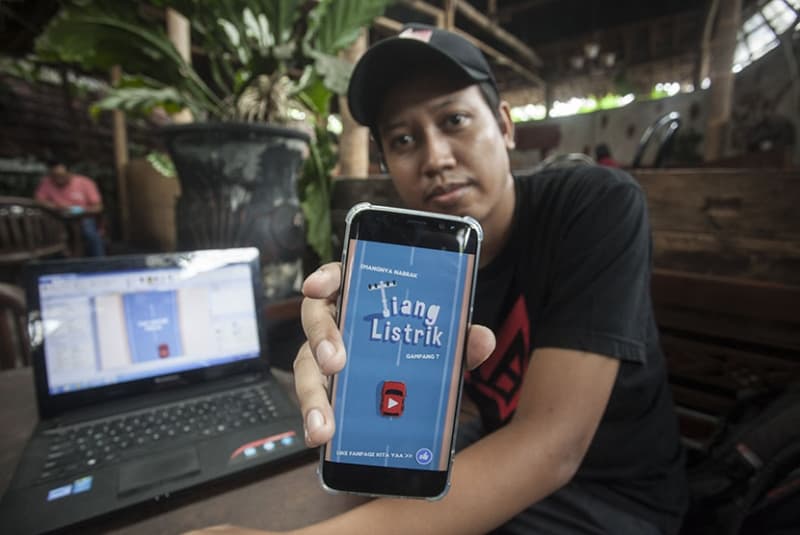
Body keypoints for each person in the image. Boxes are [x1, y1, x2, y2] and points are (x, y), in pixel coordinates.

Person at [190, 23, 687, 535]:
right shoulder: (413, 262)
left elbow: (552, 448)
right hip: (497, 449)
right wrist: (351, 365)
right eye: (404, 139)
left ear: (505, 126)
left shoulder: (593, 205)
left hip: (617, 499)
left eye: (455, 120)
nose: (436, 158)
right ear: (388, 163)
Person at [35, 158, 105, 256]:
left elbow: (98, 207)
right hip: (57, 218)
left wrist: (77, 210)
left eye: (61, 176)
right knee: (47, 235)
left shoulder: (85, 182)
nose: (58, 179)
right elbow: (39, 201)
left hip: (83, 217)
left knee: (90, 233)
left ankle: (99, 262)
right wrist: (55, 207)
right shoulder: (46, 183)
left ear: (70, 173)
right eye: (54, 176)